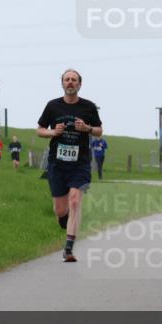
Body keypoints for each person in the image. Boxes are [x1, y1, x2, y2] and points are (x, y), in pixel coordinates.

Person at [36, 68, 103, 263]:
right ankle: (65, 221)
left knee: (74, 202)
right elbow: (39, 130)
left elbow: (99, 130)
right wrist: (52, 133)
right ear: (62, 84)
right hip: (57, 164)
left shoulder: (88, 107)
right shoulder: (52, 106)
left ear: (80, 84)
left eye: (74, 80)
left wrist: (88, 128)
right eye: (67, 79)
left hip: (80, 164)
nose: (70, 82)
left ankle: (69, 248)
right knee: (60, 210)